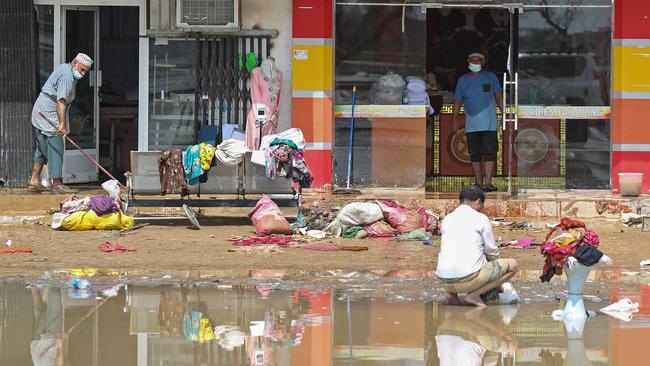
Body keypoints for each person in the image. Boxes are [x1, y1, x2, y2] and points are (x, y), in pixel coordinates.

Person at [436, 185, 518, 307]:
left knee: (454, 255)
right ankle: (474, 295)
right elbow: (491, 251)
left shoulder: (447, 219)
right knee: (513, 265)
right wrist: (498, 280)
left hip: (443, 280)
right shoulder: (481, 218)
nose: (482, 208)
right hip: (468, 279)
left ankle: (451, 295)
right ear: (478, 201)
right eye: (482, 205)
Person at [29, 53, 93, 194]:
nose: (82, 74)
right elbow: (61, 101)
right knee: (56, 147)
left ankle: (34, 180)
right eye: (82, 69)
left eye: (86, 72)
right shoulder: (67, 77)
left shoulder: (65, 67)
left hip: (41, 109)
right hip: (48, 112)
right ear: (75, 62)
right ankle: (57, 184)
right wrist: (62, 124)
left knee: (43, 146)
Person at [451, 53, 504, 192]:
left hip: (489, 123)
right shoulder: (463, 80)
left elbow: (498, 96)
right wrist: (454, 119)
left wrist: (505, 114)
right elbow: (457, 100)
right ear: (468, 61)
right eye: (473, 60)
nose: (475, 62)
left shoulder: (491, 77)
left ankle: (488, 183)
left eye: (478, 60)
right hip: (472, 124)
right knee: (474, 153)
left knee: (489, 152)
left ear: (483, 62)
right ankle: (478, 183)